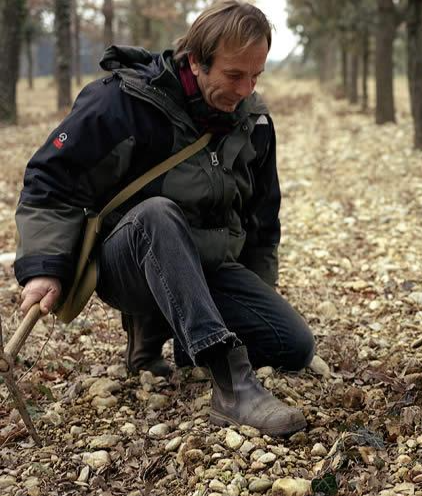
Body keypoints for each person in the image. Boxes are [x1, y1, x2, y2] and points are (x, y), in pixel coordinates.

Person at [13, 1, 314, 436]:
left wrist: (252, 300)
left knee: (293, 346)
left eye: (256, 75)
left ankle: (190, 331)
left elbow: (262, 222)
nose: (247, 89)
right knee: (157, 214)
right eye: (234, 75)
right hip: (129, 263)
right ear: (196, 60)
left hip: (207, 266)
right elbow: (50, 181)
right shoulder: (121, 101)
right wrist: (43, 268)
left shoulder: (254, 123)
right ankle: (231, 385)